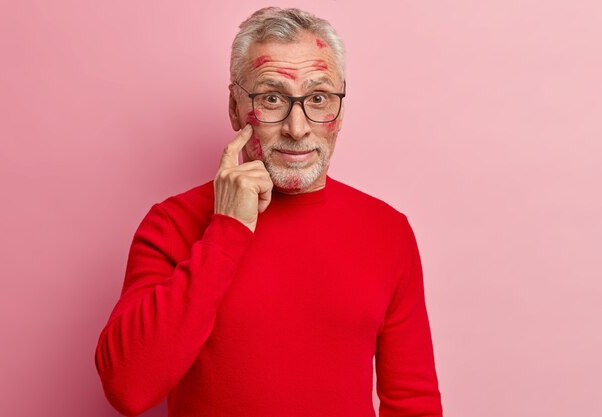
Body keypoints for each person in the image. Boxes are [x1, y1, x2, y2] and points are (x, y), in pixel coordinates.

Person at [95, 7, 443, 417]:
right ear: (234, 107)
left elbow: (413, 403)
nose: (298, 128)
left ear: (340, 110)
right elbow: (128, 388)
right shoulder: (171, 224)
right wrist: (227, 231)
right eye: (272, 98)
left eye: (318, 98)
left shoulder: (387, 231)